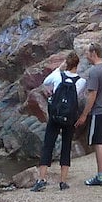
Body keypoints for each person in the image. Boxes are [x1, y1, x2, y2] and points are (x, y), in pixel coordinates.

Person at [31, 52, 86, 192]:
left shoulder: (57, 76)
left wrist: (59, 69)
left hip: (55, 116)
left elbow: (45, 83)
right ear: (77, 65)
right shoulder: (81, 82)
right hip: (69, 119)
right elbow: (77, 98)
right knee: (66, 147)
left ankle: (42, 179)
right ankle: (62, 181)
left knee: (48, 145)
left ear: (66, 63)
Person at [76, 44, 102, 186]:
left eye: (87, 52)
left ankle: (99, 176)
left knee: (97, 142)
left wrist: (84, 114)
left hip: (98, 111)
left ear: (93, 53)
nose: (86, 55)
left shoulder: (94, 71)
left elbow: (92, 94)